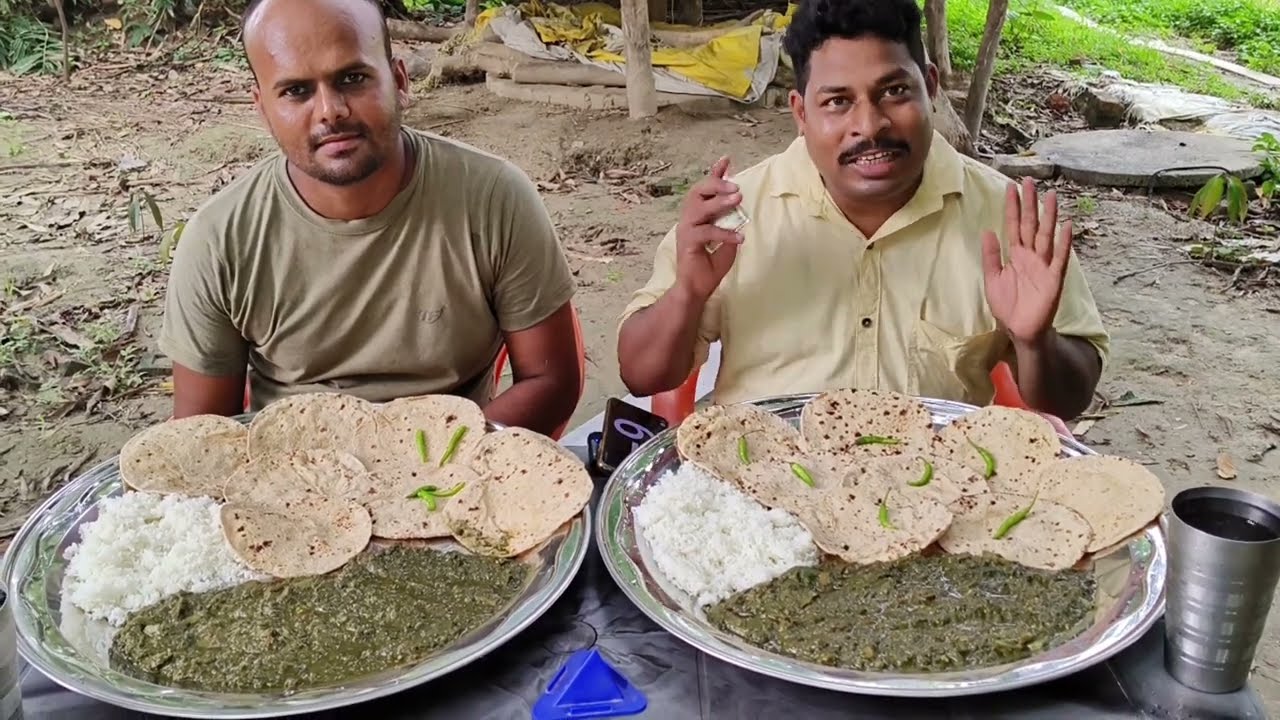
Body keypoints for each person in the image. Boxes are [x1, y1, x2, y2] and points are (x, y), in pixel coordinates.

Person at [617, 0, 1108, 421]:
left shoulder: (1008, 219)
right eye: (837, 102)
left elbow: (1068, 400)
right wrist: (687, 294)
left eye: (894, 91)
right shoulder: (735, 216)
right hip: (760, 487)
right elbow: (642, 378)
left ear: (930, 86)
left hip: (938, 486)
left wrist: (1035, 341)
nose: (869, 126)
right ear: (801, 112)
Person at [159, 0, 581, 435]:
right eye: (297, 91)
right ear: (263, 108)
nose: (330, 110)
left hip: (455, 459)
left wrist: (437, 459)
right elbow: (201, 436)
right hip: (289, 465)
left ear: (399, 81)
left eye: (352, 78)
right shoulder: (219, 240)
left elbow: (552, 381)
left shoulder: (493, 198)